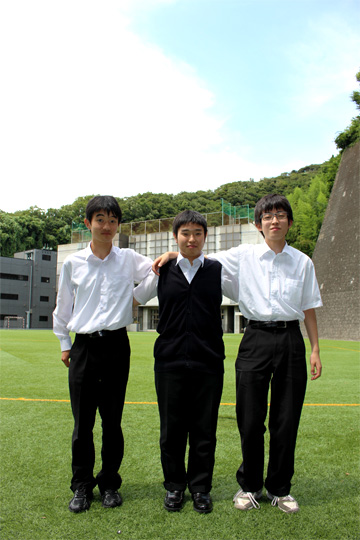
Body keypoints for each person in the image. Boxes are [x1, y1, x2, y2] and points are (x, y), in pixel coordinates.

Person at [153, 194, 322, 514]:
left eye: (281, 215)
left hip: (291, 339)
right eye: (268, 216)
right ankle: (249, 486)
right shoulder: (243, 255)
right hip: (254, 337)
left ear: (288, 222)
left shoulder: (303, 262)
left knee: (286, 419)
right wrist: (176, 251)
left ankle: (280, 488)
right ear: (258, 224)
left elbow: (309, 307)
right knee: (250, 418)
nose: (275, 220)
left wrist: (315, 349)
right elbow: (198, 253)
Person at [53, 195, 153, 513]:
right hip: (83, 347)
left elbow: (157, 272)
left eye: (112, 220)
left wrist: (134, 298)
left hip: (116, 346)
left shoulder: (128, 259)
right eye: (100, 219)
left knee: (112, 422)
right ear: (88, 223)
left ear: (118, 225)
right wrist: (64, 344)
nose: (106, 226)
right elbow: (62, 307)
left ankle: (110, 483)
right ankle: (81, 486)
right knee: (82, 425)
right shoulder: (73, 263)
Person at [133, 210, 236, 514]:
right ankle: (175, 486)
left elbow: (247, 295)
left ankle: (201, 487)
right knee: (172, 429)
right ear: (175, 237)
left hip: (209, 361)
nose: (191, 239)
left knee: (205, 428)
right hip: (169, 361)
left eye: (198, 233)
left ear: (205, 237)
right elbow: (136, 298)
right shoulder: (162, 271)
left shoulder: (217, 270)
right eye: (185, 233)